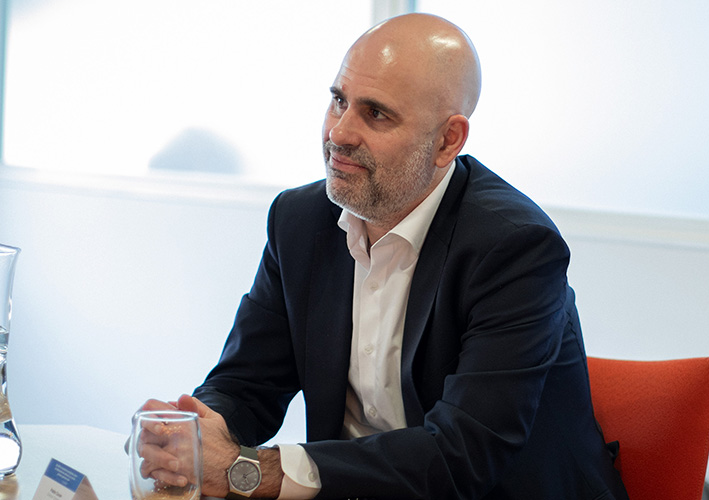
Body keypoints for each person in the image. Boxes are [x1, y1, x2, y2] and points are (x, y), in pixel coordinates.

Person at [137, 13, 629, 500]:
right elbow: (247, 382)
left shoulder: (515, 248)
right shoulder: (299, 221)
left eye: (375, 114)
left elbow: (463, 457)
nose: (339, 133)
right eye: (339, 101)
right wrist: (193, 435)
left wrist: (245, 471)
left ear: (447, 141)